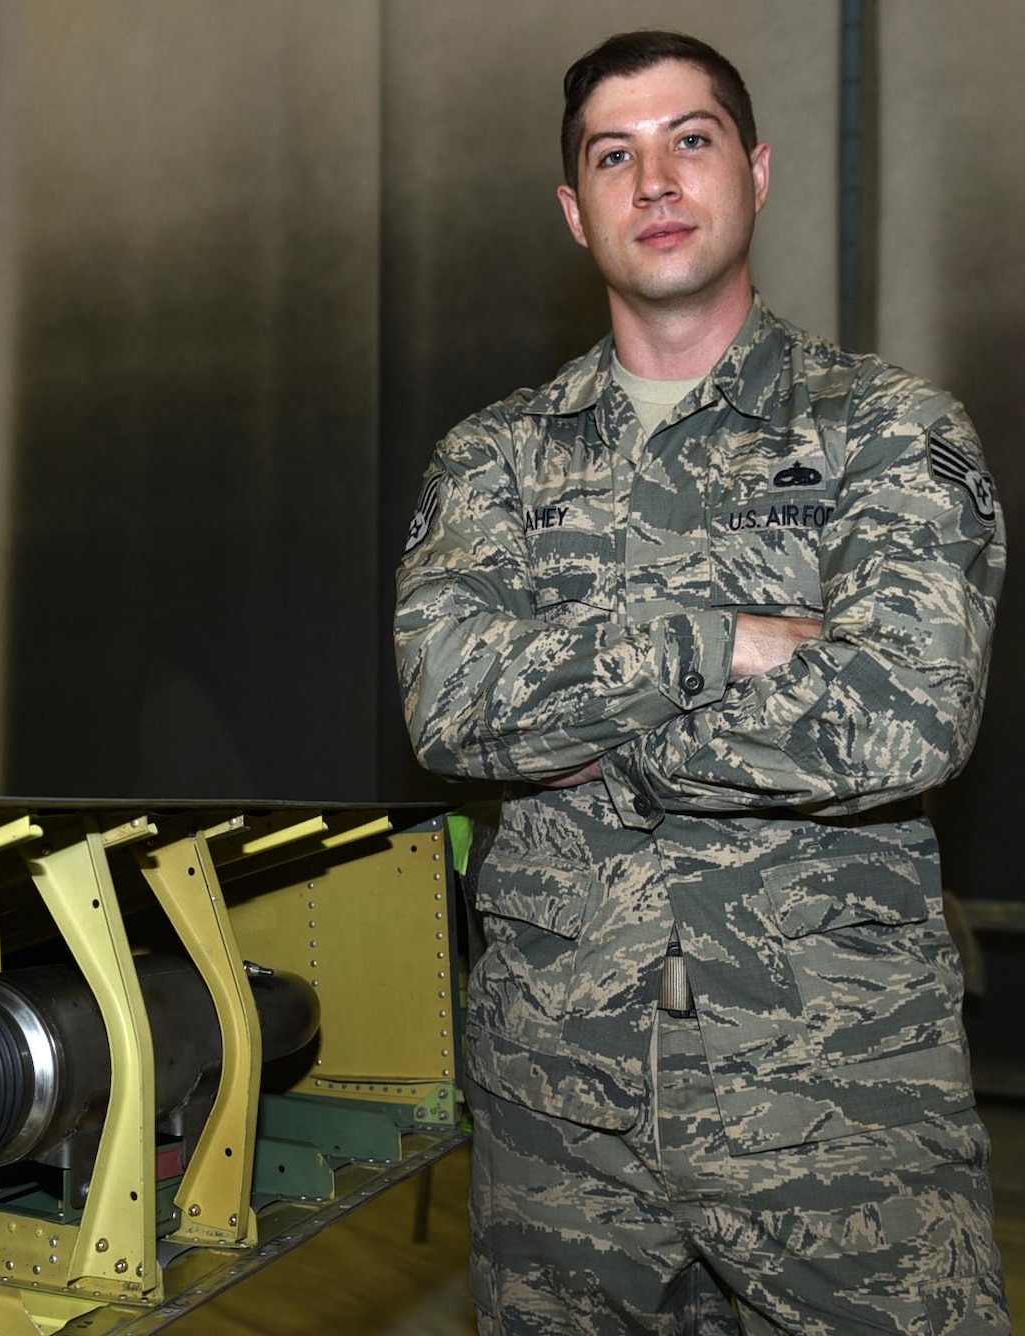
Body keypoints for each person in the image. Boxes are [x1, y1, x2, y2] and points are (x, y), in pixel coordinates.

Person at [394, 30, 1010, 1336]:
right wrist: (709, 640)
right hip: (563, 1125)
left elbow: (904, 720)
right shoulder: (495, 461)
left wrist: (604, 749)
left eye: (691, 139)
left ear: (757, 171)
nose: (654, 178)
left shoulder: (887, 429)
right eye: (613, 155)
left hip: (837, 1116)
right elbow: (451, 707)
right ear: (575, 211)